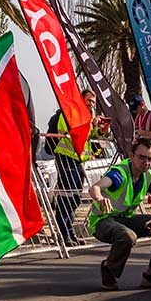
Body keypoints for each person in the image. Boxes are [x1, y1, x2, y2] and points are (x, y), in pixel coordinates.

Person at [87, 138, 151, 290]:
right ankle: (109, 270)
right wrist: (100, 198)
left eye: (150, 159)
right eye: (142, 157)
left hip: (125, 220)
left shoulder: (148, 177)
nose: (146, 163)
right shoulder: (120, 173)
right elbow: (94, 188)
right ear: (131, 156)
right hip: (102, 222)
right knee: (128, 236)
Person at [51, 89, 110, 247]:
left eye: (93, 102)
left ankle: (70, 233)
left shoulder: (88, 118)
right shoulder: (69, 113)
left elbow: (92, 136)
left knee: (75, 197)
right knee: (67, 196)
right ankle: (64, 234)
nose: (91, 104)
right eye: (89, 101)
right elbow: (70, 133)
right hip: (66, 157)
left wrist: (102, 130)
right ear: (81, 100)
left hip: (78, 161)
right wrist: (89, 124)